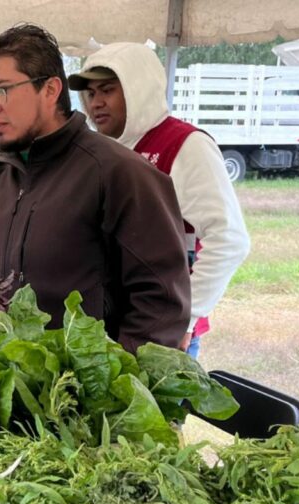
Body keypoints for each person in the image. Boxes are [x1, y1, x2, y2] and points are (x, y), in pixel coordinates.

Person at [0, 24, 191, 352]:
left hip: (86, 392)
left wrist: (111, 387)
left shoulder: (119, 173)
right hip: (11, 385)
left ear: (51, 90)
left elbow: (162, 302)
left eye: (1, 91)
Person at [68, 42, 252, 358]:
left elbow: (229, 239)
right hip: (110, 324)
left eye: (108, 90)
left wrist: (185, 317)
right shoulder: (100, 151)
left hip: (160, 334)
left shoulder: (184, 145)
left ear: (138, 88)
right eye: (91, 94)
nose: (97, 103)